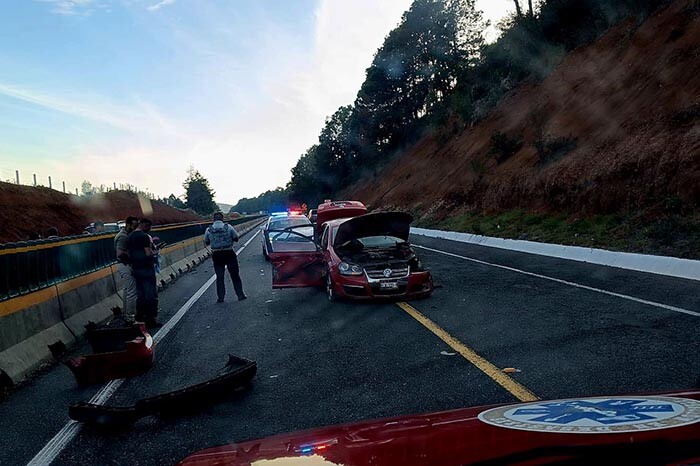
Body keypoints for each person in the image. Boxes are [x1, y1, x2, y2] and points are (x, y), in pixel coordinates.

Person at [204, 212, 246, 303]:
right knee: (235, 275)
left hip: (217, 255)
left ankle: (221, 298)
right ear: (222, 219)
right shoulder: (229, 227)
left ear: (214, 220)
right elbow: (236, 238)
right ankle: (240, 295)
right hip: (229, 253)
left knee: (220, 277)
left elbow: (206, 242)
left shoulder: (208, 230)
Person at [127, 218, 161, 327]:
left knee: (140, 295)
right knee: (151, 294)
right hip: (146, 268)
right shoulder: (144, 236)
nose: (149, 230)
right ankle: (151, 319)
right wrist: (154, 254)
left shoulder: (130, 236)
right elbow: (148, 252)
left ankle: (140, 319)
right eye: (149, 228)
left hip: (135, 269)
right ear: (145, 226)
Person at [114, 216, 139, 323]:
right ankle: (130, 316)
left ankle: (127, 315)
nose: (135, 228)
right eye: (134, 226)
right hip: (125, 265)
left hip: (124, 264)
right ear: (128, 225)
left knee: (127, 290)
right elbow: (119, 253)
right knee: (132, 292)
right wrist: (131, 256)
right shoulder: (123, 237)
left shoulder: (126, 235)